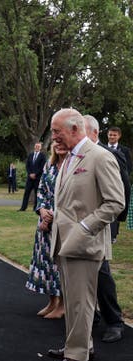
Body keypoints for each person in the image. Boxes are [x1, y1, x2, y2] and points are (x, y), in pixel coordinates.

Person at [47, 108, 124, 361]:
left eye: (57, 131)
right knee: (72, 300)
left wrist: (83, 227)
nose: (53, 136)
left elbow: (116, 202)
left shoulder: (100, 157)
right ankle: (78, 346)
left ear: (74, 130)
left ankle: (76, 355)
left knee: (81, 303)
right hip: (65, 242)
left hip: (84, 242)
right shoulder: (69, 157)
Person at [84, 115, 129, 343]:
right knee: (82, 274)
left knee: (102, 273)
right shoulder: (78, 155)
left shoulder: (107, 154)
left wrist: (116, 223)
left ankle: (114, 321)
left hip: (103, 224)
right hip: (80, 226)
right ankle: (90, 317)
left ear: (93, 132)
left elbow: (123, 187)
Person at [25, 141, 67, 319]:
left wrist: (52, 217)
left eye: (63, 144)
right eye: (56, 145)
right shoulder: (49, 166)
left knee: (61, 265)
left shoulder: (71, 166)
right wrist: (41, 211)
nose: (60, 147)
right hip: (44, 223)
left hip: (62, 222)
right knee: (46, 263)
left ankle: (63, 305)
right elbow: (41, 189)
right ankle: (52, 302)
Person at [106, 126, 132, 243]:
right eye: (110, 134)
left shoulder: (124, 150)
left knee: (116, 207)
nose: (112, 137)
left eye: (114, 135)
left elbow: (128, 167)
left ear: (119, 136)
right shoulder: (102, 148)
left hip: (118, 183)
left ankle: (114, 234)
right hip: (105, 182)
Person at [19, 142, 47, 211]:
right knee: (26, 193)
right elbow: (27, 165)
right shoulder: (30, 155)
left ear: (40, 148)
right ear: (34, 147)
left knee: (36, 193)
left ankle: (35, 208)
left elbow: (42, 167)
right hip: (30, 178)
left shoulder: (42, 156)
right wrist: (30, 174)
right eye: (36, 146)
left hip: (37, 178)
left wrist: (35, 174)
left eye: (39, 146)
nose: (37, 147)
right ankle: (23, 208)